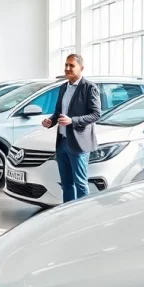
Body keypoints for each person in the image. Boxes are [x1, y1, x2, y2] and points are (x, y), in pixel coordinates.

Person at [42, 53, 101, 202]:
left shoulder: (89, 88)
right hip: (62, 142)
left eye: (71, 65)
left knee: (80, 183)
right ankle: (67, 215)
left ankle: (82, 217)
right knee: (66, 184)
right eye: (66, 65)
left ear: (81, 68)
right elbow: (58, 113)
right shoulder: (63, 87)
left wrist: (72, 121)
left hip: (78, 143)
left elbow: (96, 114)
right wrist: (51, 121)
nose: (67, 68)